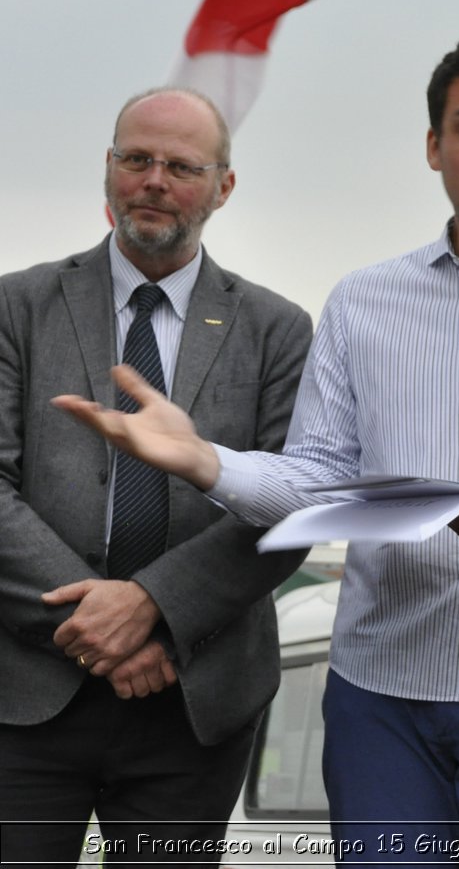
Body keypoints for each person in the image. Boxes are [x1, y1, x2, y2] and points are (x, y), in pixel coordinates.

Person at [54, 34, 459, 862]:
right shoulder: (362, 304)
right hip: (385, 689)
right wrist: (205, 458)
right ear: (433, 146)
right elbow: (320, 479)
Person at [0, 88, 312, 864]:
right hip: (28, 693)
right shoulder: (17, 306)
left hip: (195, 700)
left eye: (180, 165)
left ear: (223, 186)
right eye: (136, 159)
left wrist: (153, 609)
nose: (154, 180)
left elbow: (294, 505)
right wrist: (96, 633)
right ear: (107, 169)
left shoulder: (277, 332)